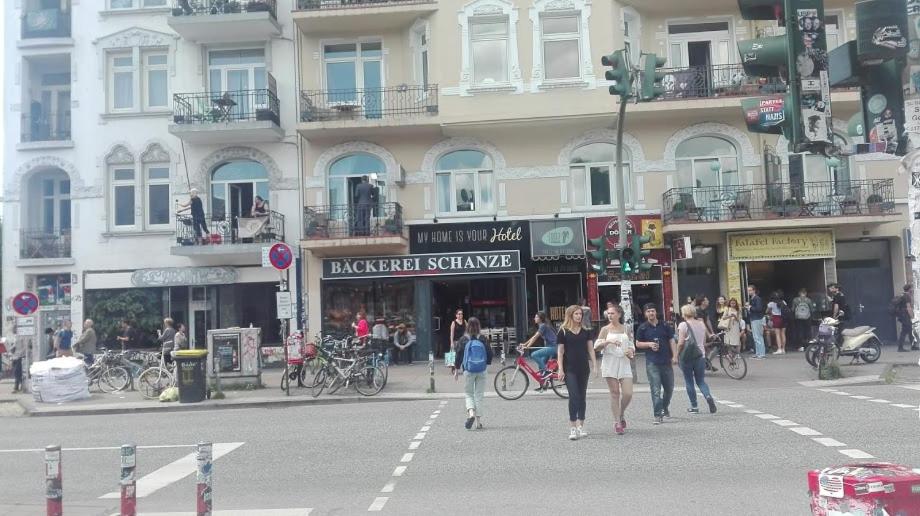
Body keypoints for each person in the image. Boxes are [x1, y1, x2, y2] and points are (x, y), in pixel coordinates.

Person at [557, 305, 597, 441]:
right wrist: (560, 369)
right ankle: (573, 426)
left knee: (582, 397)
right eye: (576, 314)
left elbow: (591, 350)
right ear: (570, 315)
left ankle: (581, 424)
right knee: (574, 396)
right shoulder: (563, 331)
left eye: (580, 314)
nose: (579, 316)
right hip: (569, 369)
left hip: (583, 368)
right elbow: (560, 352)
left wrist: (595, 366)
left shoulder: (586, 331)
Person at [595, 305, 635, 435]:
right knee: (615, 393)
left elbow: (630, 344)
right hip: (610, 362)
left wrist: (631, 351)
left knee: (628, 393)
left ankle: (621, 412)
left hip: (623, 362)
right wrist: (607, 342)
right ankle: (617, 422)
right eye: (608, 313)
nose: (610, 316)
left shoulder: (626, 328)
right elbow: (597, 347)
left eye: (612, 313)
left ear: (619, 314)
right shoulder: (605, 329)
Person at [636, 303, 677, 425]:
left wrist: (675, 355)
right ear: (645, 314)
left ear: (656, 312)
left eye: (653, 311)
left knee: (669, 389)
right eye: (648, 312)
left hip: (666, 361)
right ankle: (658, 414)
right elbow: (637, 343)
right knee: (656, 389)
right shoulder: (642, 328)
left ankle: (664, 407)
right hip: (652, 363)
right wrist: (649, 344)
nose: (651, 313)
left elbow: (671, 340)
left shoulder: (665, 325)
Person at [452, 317, 493, 430]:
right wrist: (486, 363)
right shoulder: (483, 338)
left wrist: (456, 369)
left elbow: (458, 354)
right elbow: (490, 353)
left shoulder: (464, 339)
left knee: (469, 393)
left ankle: (471, 413)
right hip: (481, 370)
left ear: (467, 326)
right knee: (479, 395)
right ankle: (478, 422)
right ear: (478, 326)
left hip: (468, 370)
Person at [677, 304, 717, 414]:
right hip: (700, 355)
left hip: (687, 356)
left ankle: (694, 406)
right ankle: (708, 396)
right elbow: (703, 343)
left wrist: (677, 354)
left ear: (684, 313)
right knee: (701, 381)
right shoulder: (701, 324)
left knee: (689, 381)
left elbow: (680, 343)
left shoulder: (683, 325)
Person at [746, 285, 767, 359]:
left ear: (754, 290)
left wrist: (750, 307)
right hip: (754, 318)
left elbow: (759, 308)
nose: (749, 292)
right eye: (748, 290)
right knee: (756, 337)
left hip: (757, 319)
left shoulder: (757, 298)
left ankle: (761, 354)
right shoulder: (753, 298)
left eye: (750, 290)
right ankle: (758, 353)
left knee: (758, 337)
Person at [895, 284, 917, 352]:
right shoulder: (907, 296)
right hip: (905, 316)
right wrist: (912, 316)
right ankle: (900, 348)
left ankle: (913, 346)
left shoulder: (902, 295)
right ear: (909, 289)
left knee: (910, 330)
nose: (913, 289)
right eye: (912, 288)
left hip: (902, 315)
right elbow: (908, 307)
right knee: (904, 332)